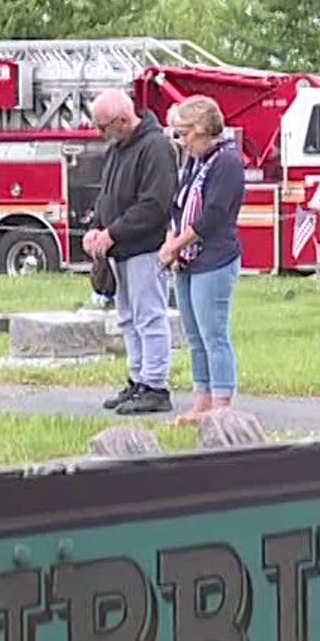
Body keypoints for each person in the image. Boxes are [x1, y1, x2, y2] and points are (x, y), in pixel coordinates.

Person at [86, 89, 178, 416]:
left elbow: (154, 205)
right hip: (120, 249)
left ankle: (156, 385)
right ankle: (138, 379)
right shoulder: (117, 150)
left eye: (104, 127)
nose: (101, 134)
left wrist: (113, 232)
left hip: (145, 247)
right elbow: (107, 196)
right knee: (128, 319)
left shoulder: (155, 148)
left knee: (149, 317)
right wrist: (97, 228)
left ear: (123, 120)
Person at [158, 95, 245, 426]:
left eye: (184, 134)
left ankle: (222, 405)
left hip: (215, 257)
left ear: (201, 129)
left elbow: (214, 214)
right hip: (188, 259)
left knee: (214, 333)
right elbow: (179, 205)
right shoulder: (195, 162)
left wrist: (177, 244)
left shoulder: (227, 162)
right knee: (194, 336)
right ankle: (201, 401)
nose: (181, 142)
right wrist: (172, 239)